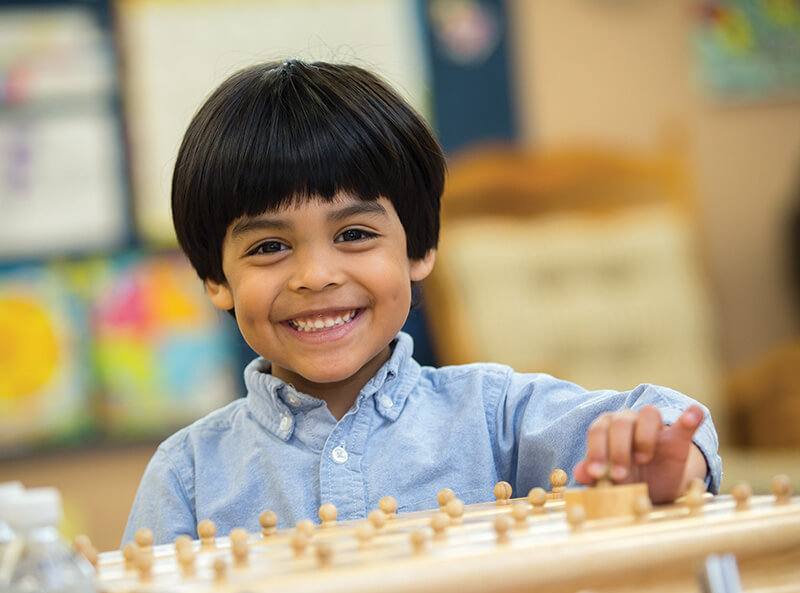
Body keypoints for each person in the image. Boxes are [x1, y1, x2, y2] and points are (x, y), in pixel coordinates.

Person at [122, 59, 721, 545]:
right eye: (270, 246)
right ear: (215, 279)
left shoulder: (493, 416)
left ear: (420, 248)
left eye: (354, 234)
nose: (316, 275)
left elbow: (663, 414)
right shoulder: (187, 474)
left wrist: (666, 459)